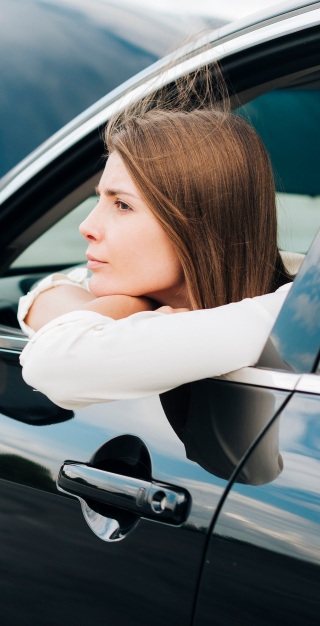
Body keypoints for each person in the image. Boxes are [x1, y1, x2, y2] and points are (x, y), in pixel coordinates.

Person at [18, 67, 294, 410]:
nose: (86, 226)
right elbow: (44, 294)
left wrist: (119, 318)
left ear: (199, 224)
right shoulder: (156, 290)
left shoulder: (291, 309)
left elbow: (51, 363)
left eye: (121, 204)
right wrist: (134, 307)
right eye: (99, 199)